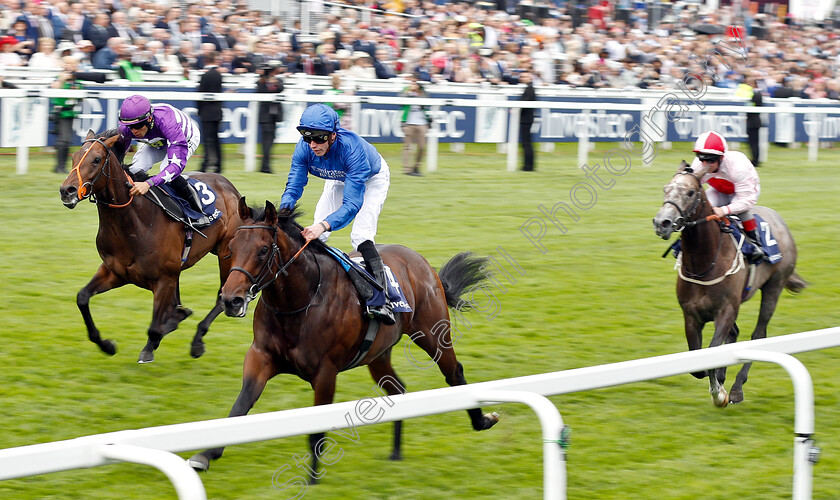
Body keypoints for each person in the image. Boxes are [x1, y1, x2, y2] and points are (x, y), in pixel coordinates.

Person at [280, 103, 394, 325]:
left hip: (371, 178)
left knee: (360, 236)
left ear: (333, 135)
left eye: (319, 139)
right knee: (316, 238)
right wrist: (283, 211)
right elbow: (294, 185)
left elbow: (352, 204)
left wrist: (323, 224)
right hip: (338, 177)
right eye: (307, 138)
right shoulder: (304, 149)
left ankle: (382, 300)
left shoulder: (352, 150)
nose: (313, 145)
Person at [118, 95, 205, 219]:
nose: (133, 131)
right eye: (129, 127)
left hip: (184, 137)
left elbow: (175, 165)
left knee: (167, 171)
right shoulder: (127, 128)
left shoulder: (168, 122)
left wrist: (148, 184)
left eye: (137, 126)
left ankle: (197, 210)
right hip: (156, 140)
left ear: (148, 119)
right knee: (135, 169)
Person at [691, 131, 764, 262]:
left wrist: (724, 210)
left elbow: (746, 200)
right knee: (700, 208)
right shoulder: (697, 165)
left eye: (710, 160)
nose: (705, 164)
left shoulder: (738, 168)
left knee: (742, 211)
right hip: (718, 189)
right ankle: (683, 243)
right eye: (702, 159)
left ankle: (755, 244)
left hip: (744, 194)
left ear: (721, 158)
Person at [50, 55, 82, 174]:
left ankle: (60, 166)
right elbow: (54, 87)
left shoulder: (76, 79)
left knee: (65, 139)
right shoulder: (59, 77)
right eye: (67, 64)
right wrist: (62, 79)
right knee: (64, 139)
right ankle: (60, 166)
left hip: (71, 112)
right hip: (62, 112)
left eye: (72, 64)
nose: (69, 67)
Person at [196, 51, 223, 173]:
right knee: (216, 139)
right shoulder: (218, 75)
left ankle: (206, 164)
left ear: (206, 60)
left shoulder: (205, 75)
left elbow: (200, 94)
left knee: (207, 140)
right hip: (217, 111)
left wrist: (199, 110)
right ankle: (219, 165)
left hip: (207, 112)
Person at [256, 61, 285, 174]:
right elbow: (260, 91)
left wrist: (274, 83)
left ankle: (265, 165)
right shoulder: (261, 81)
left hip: (274, 115)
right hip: (265, 115)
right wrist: (266, 81)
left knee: (271, 140)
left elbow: (281, 88)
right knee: (266, 141)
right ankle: (265, 166)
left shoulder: (278, 80)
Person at [399, 74, 429, 176]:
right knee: (407, 147)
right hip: (408, 122)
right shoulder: (405, 90)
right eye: (412, 81)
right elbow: (401, 103)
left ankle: (416, 167)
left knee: (422, 147)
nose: (414, 84)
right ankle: (407, 169)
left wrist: (418, 92)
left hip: (421, 122)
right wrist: (409, 92)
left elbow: (426, 104)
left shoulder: (423, 91)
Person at [735, 73, 764, 168]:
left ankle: (755, 160)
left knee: (754, 143)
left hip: (753, 122)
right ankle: (755, 159)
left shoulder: (756, 94)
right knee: (753, 142)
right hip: (753, 121)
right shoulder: (755, 94)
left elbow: (752, 107)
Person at [518, 70, 536, 171]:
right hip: (527, 119)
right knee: (526, 143)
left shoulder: (529, 89)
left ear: (530, 78)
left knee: (526, 143)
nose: (522, 78)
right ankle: (528, 165)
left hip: (526, 119)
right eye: (522, 77)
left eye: (525, 77)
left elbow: (524, 104)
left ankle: (528, 166)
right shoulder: (529, 88)